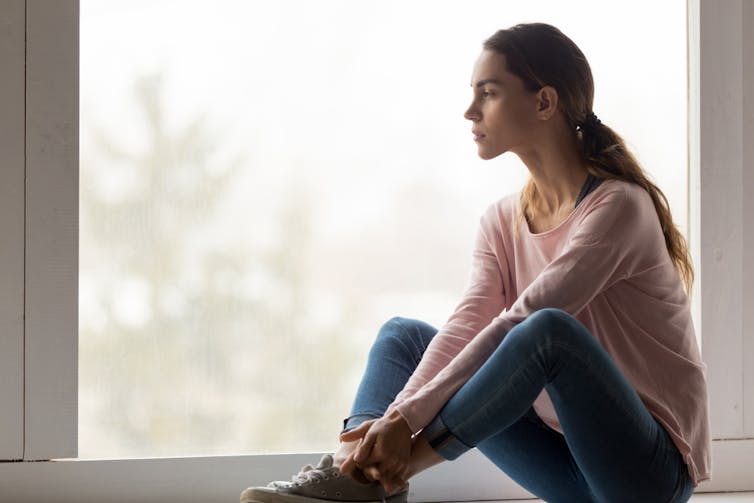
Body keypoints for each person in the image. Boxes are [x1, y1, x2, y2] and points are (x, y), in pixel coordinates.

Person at [240, 22, 710, 503]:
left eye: (488, 93)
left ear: (544, 102)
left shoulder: (617, 207)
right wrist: (398, 417)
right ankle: (355, 477)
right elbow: (467, 324)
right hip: (565, 468)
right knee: (404, 337)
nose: (469, 111)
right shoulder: (501, 221)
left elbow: (522, 324)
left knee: (546, 333)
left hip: (646, 477)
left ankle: (390, 473)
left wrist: (408, 427)